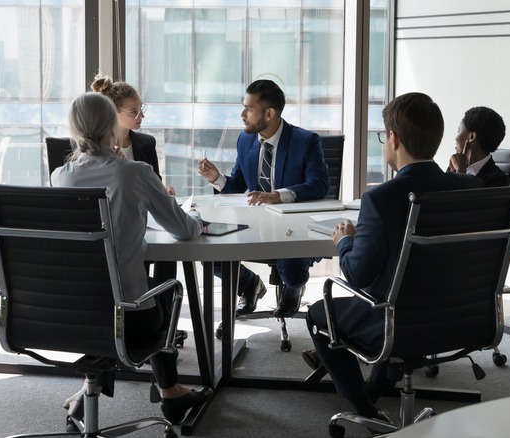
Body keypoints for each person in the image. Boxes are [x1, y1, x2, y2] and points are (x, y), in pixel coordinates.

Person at [304, 92, 482, 419]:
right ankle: (377, 387)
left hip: (397, 325)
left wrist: (344, 241)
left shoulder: (381, 199)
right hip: (464, 318)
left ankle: (365, 410)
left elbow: (357, 275)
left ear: (394, 139)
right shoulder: (470, 189)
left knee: (319, 313)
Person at [51, 92, 211, 427]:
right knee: (165, 287)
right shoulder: (134, 172)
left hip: (69, 315)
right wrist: (198, 220)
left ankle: (157, 392)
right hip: (129, 320)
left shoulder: (60, 177)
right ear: (112, 125)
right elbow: (183, 230)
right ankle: (171, 392)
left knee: (119, 292)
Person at [197, 79, 330, 317]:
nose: (242, 114)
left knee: (293, 271)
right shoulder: (246, 139)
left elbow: (318, 185)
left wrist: (277, 196)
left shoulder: (306, 141)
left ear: (269, 113)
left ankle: (293, 288)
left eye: (249, 108)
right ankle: (249, 285)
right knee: (208, 253)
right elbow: (239, 185)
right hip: (253, 223)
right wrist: (217, 178)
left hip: (291, 227)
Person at [89, 73, 178, 292]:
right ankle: (147, 304)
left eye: (141, 109)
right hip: (116, 229)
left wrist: (162, 190)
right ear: (112, 113)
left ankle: (164, 317)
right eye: (133, 112)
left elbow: (154, 182)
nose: (141, 116)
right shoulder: (94, 151)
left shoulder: (146, 143)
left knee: (171, 250)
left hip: (148, 223)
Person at [447, 106, 509, 187]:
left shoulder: (498, 180)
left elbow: (455, 199)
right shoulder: (455, 165)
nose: (456, 138)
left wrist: (460, 172)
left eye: (459, 131)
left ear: (471, 137)